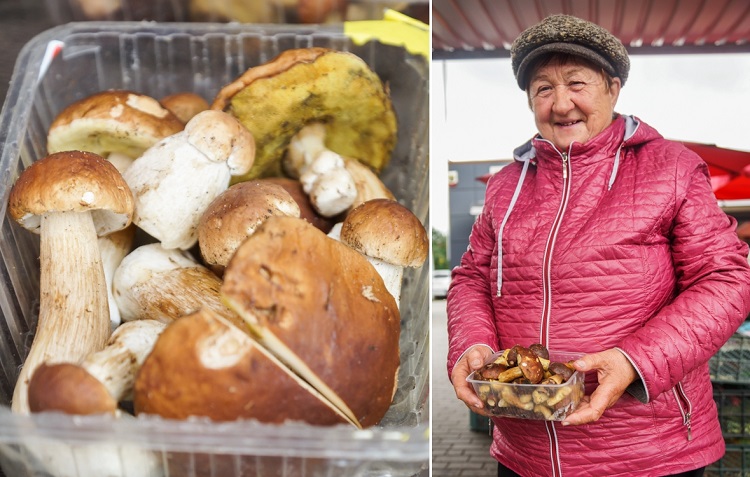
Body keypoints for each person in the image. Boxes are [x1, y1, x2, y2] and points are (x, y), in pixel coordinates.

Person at [446, 13, 750, 477]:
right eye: (543, 89)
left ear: (613, 87)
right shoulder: (504, 186)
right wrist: (470, 343)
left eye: (576, 82)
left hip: (651, 451)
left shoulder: (670, 167)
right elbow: (471, 277)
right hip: (526, 451)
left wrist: (635, 361)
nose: (561, 103)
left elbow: (727, 278)